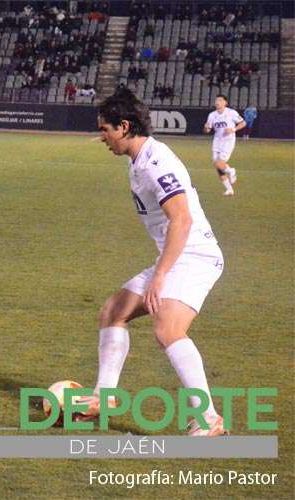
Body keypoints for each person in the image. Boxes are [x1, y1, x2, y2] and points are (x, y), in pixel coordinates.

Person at [84, 88, 227, 436]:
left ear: (124, 126)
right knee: (113, 311)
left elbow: (182, 219)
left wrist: (160, 276)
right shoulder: (139, 159)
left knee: (167, 328)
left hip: (195, 256)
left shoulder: (156, 162)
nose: (101, 137)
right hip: (176, 254)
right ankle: (104, 397)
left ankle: (209, 419)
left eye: (105, 129)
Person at [204, 95, 245, 196]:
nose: (217, 102)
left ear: (225, 103)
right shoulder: (212, 115)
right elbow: (207, 130)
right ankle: (229, 189)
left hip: (228, 141)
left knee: (219, 163)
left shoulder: (231, 113)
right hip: (217, 141)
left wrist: (233, 129)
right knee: (218, 166)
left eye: (220, 100)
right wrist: (206, 128)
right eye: (216, 100)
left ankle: (231, 171)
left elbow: (243, 123)